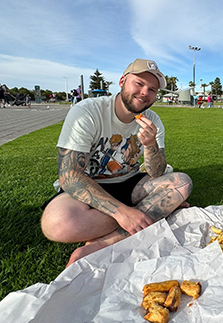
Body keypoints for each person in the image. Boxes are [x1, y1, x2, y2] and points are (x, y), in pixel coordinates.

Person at [41, 59, 193, 267]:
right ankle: (154, 211)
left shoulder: (153, 120)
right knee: (56, 224)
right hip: (88, 186)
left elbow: (157, 172)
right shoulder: (88, 111)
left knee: (182, 183)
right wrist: (122, 212)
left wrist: (149, 145)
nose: (144, 93)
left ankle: (103, 243)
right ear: (122, 81)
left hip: (129, 182)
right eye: (138, 84)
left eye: (152, 89)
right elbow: (70, 175)